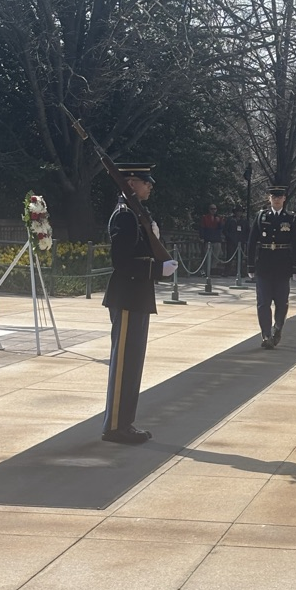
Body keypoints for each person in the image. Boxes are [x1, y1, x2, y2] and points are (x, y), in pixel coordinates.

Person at [102, 164, 178, 444]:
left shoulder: (136, 214)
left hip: (136, 296)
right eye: (146, 182)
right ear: (131, 183)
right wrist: (157, 270)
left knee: (132, 364)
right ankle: (114, 426)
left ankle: (124, 422)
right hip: (126, 297)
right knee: (124, 364)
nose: (150, 186)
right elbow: (121, 263)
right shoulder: (124, 216)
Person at [247, 182, 296, 349]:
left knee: (281, 302)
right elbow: (251, 242)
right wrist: (250, 265)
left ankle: (278, 327)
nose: (276, 200)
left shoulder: (290, 218)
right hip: (264, 264)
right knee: (263, 302)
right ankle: (266, 335)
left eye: (279, 197)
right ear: (269, 198)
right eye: (274, 197)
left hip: (282, 265)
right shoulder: (262, 216)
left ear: (284, 199)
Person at [223, 206, 249, 275]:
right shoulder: (230, 220)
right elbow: (225, 230)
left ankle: (239, 272)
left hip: (240, 242)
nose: (239, 213)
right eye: (237, 211)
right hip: (231, 241)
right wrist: (229, 237)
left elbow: (247, 231)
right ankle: (227, 272)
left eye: (240, 211)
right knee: (229, 257)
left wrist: (244, 239)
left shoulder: (244, 221)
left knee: (240, 258)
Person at [199, 203, 225, 274]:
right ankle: (206, 270)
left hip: (217, 239)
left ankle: (212, 269)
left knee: (216, 256)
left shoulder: (219, 218)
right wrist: (202, 237)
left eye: (215, 209)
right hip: (208, 239)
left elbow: (221, 228)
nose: (213, 210)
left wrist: (219, 222)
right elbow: (202, 228)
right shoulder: (205, 217)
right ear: (209, 210)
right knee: (207, 256)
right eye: (212, 209)